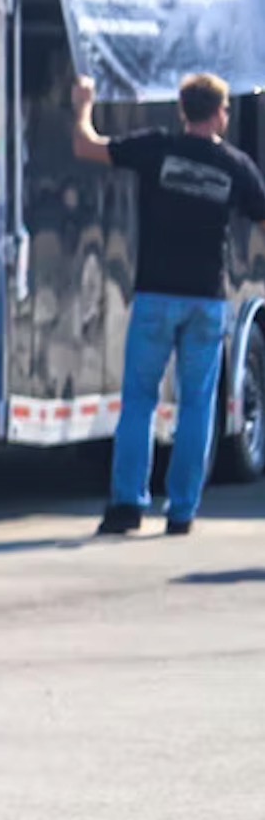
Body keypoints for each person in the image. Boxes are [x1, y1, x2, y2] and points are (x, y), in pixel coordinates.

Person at [70, 72, 265, 535]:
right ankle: (181, 512)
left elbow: (87, 146)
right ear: (220, 114)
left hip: (155, 296)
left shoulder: (156, 148)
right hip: (206, 302)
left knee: (139, 402)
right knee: (197, 406)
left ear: (183, 110)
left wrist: (82, 105)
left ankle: (127, 506)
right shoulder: (235, 165)